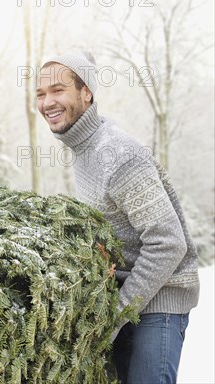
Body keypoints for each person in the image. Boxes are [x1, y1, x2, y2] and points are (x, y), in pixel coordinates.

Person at [35, 51, 200, 383]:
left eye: (58, 90)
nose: (47, 102)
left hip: (160, 298)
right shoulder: (83, 149)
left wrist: (115, 314)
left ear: (87, 93)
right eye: (40, 94)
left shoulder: (119, 155)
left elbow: (168, 243)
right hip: (126, 296)